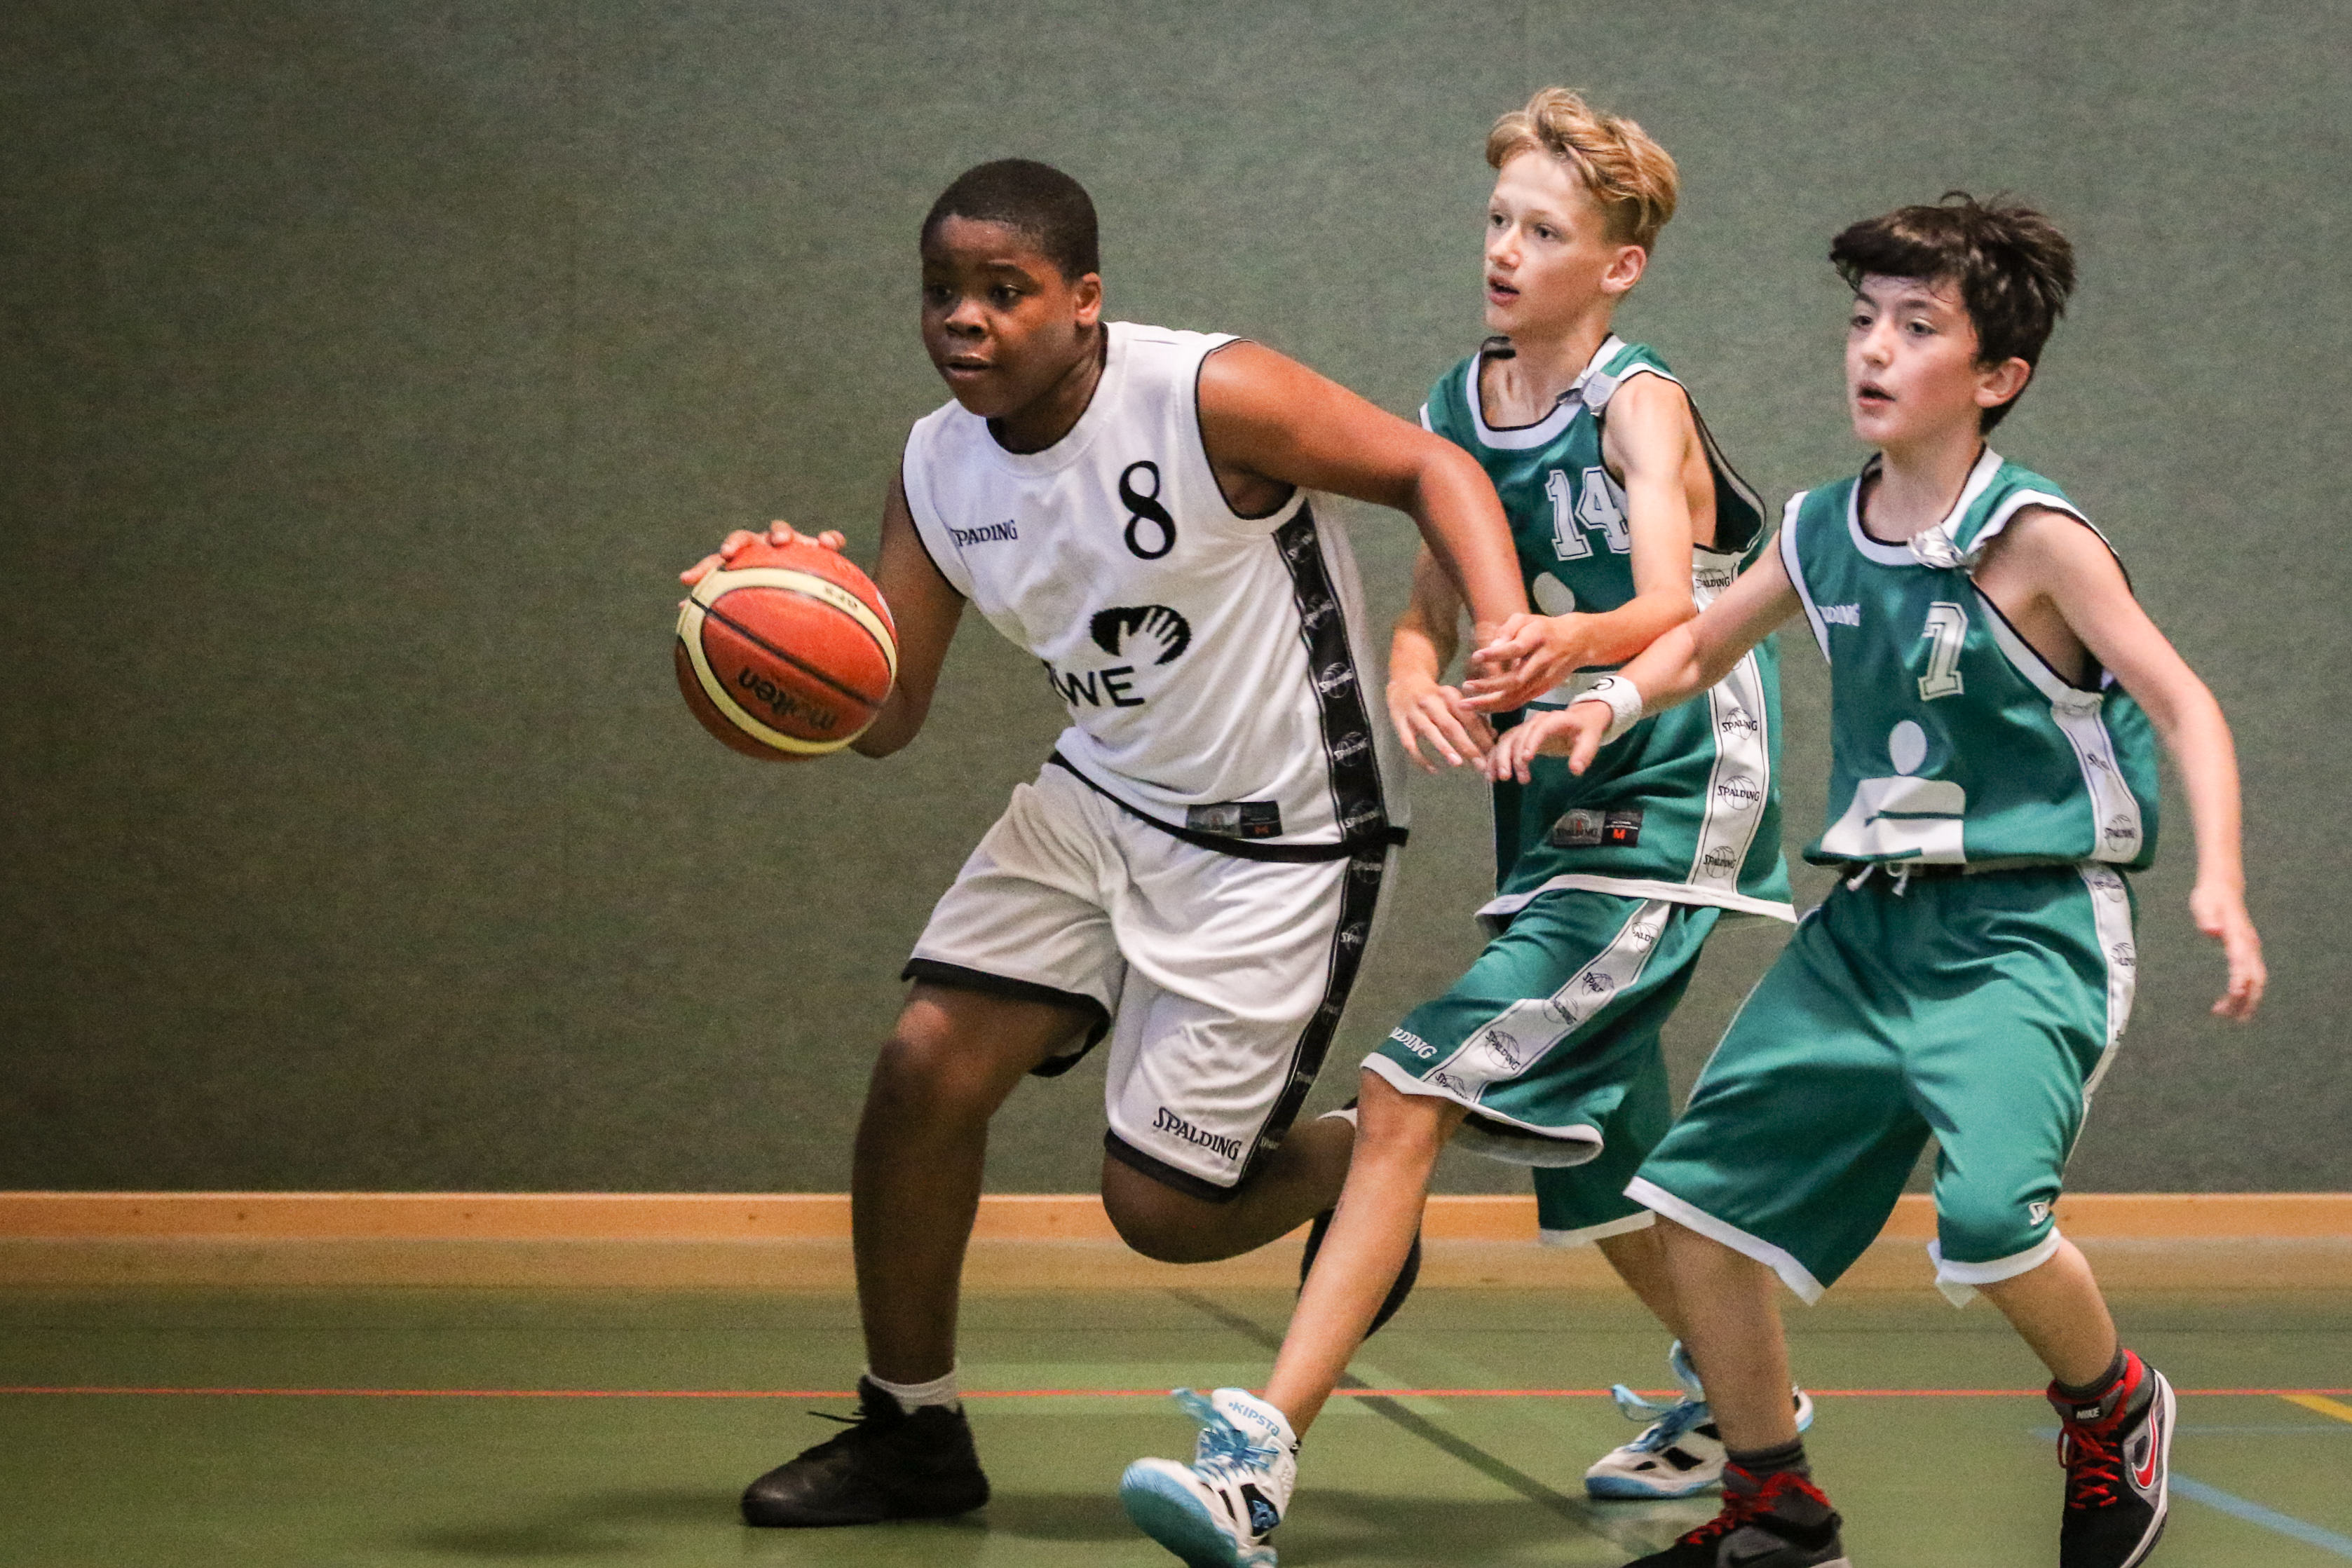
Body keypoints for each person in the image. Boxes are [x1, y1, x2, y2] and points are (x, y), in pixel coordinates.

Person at [681, 157, 1544, 1529]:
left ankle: (1371, 1152)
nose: (963, 318)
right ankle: (912, 1430)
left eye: (1002, 291)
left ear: (1084, 300)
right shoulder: (935, 465)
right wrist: (784, 617)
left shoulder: (1208, 394)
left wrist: (1502, 629)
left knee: (1164, 1217)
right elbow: (887, 718)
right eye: (940, 291)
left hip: (1282, 835)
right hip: (1100, 798)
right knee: (922, 1067)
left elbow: (1428, 465)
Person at [1496, 193, 2266, 1568]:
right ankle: (1776, 1508)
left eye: (1917, 328)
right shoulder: (1817, 528)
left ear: (1995, 376)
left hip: (2023, 928)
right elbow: (1699, 643)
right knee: (1695, 1215)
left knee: (1989, 1224)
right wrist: (1603, 704)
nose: (1873, 349)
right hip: (1864, 929)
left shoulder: (2037, 539)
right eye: (1863, 321)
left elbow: (2184, 703)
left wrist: (2221, 878)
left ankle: (2113, 1405)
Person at [1119, 89, 1803, 1568]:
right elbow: (1433, 602)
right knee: (1605, 1164)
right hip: (1554, 793)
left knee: (1405, 1092)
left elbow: (1670, 608)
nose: (1504, 249)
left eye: (1543, 231)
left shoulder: (1637, 403)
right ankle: (1744, 1410)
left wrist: (1563, 647)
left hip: (1674, 785)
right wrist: (1414, 674)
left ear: (1618, 264)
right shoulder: (1455, 404)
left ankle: (1258, 1458)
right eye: (1498, 219)